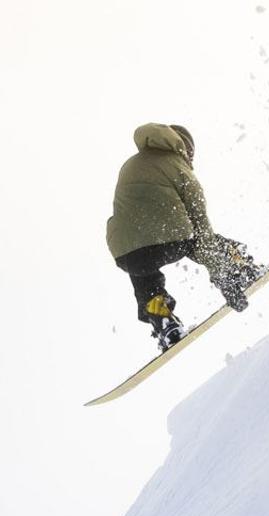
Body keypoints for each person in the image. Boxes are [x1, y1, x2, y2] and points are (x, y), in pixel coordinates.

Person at [105, 123, 259, 350]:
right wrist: (222, 278)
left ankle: (163, 321)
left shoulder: (130, 165)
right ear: (183, 148)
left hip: (124, 252)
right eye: (191, 155)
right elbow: (203, 231)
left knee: (142, 270)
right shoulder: (179, 167)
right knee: (198, 240)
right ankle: (239, 268)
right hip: (170, 240)